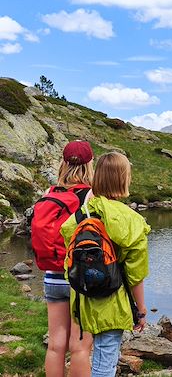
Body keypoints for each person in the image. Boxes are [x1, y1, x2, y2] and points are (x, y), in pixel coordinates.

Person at [61, 152, 149, 377]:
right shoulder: (131, 220)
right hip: (114, 300)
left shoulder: (80, 215)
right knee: (105, 363)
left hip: (85, 299)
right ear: (123, 179)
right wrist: (141, 310)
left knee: (100, 356)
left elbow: (68, 262)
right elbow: (135, 274)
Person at [32, 140, 94, 377]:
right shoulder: (90, 194)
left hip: (52, 277)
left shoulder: (50, 192)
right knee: (80, 347)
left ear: (63, 163)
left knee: (56, 345)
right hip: (80, 279)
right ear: (89, 165)